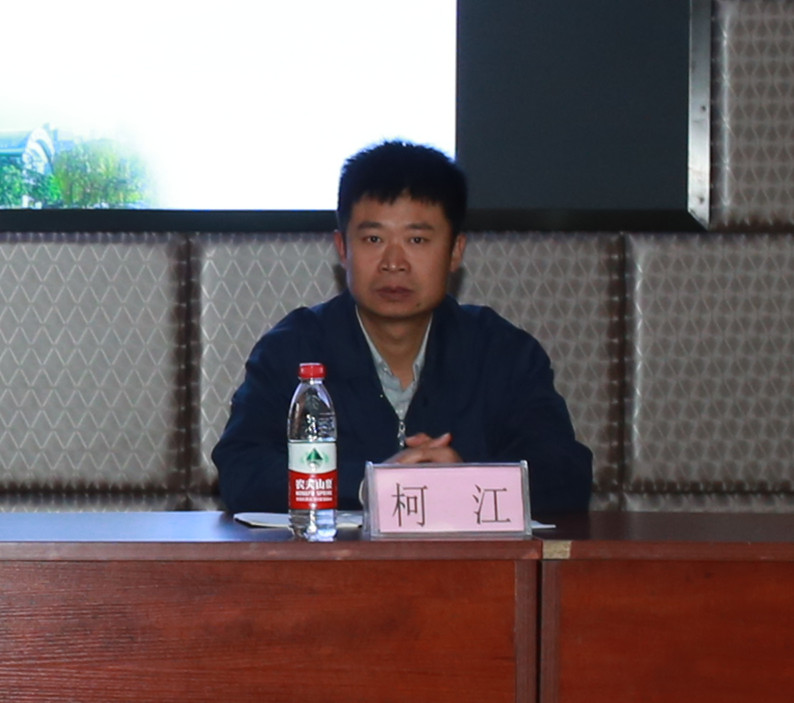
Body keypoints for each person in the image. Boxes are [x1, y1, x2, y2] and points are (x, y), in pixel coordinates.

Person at [212, 140, 592, 515]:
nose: (394, 262)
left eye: (417, 240)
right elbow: (241, 471)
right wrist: (369, 485)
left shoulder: (502, 351)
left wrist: (468, 480)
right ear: (342, 248)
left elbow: (566, 475)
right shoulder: (294, 349)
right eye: (374, 239)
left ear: (455, 251)